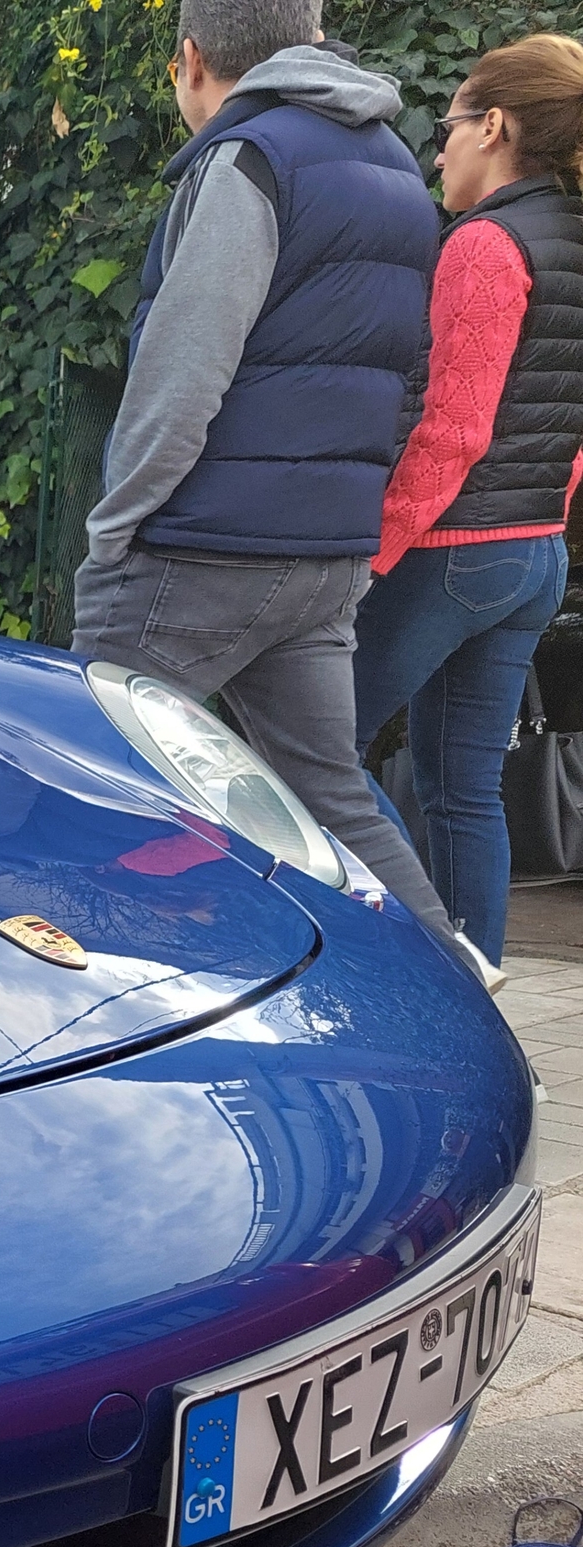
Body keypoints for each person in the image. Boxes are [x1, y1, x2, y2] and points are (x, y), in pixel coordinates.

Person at [70, 1, 475, 972]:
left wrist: (114, 526)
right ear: (315, 35)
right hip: (321, 558)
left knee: (91, 776)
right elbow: (401, 373)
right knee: (332, 799)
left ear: (190, 60)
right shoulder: (389, 168)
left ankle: (63, 1026)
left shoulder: (247, 158)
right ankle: (469, 1003)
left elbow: (182, 368)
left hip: (200, 551)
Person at [352, 33, 583, 967]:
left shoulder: (487, 245)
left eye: (447, 125)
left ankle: (403, 960)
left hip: (456, 547)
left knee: (316, 750)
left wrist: (374, 552)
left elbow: (452, 432)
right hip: (536, 553)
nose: (436, 147)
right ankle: (478, 991)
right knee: (462, 789)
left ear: (495, 126)